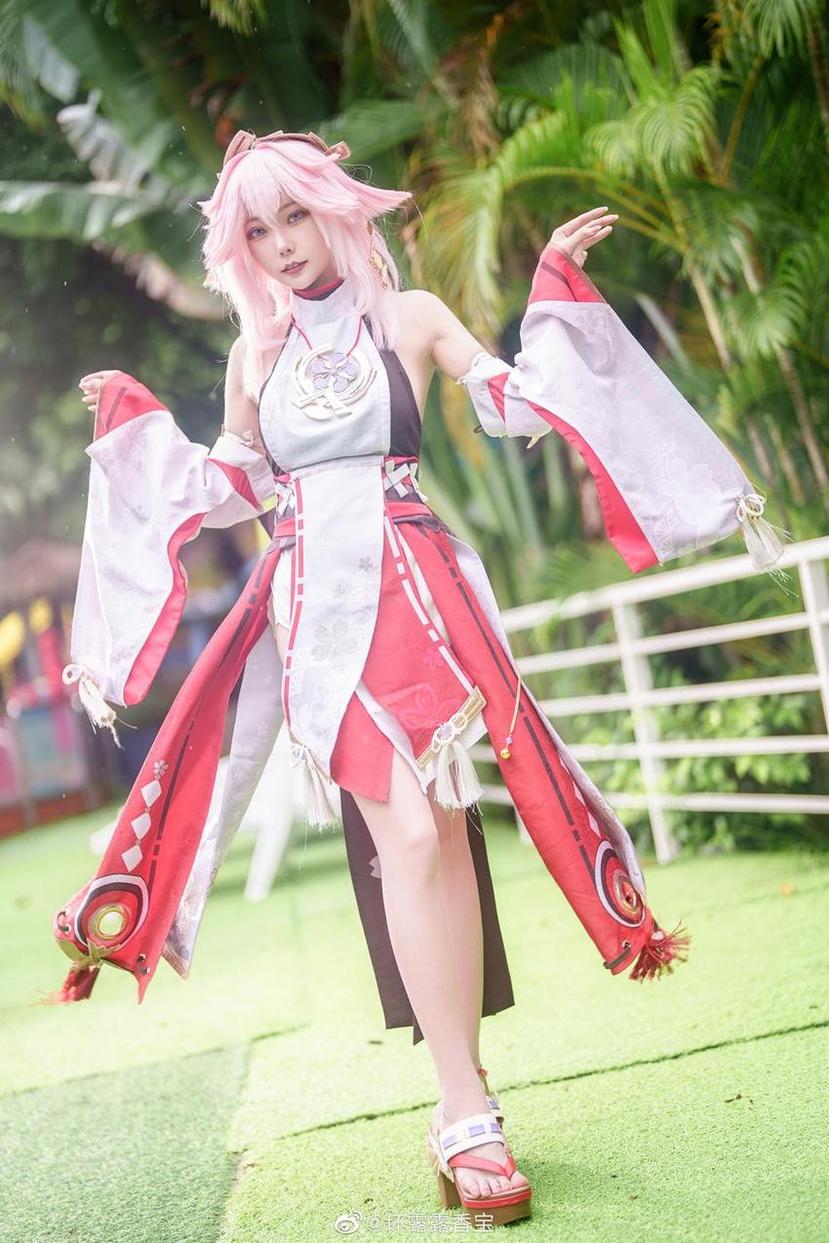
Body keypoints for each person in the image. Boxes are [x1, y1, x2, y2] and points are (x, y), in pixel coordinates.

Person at [53, 129, 788, 1230]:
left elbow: (514, 405)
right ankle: (462, 1108)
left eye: (296, 216)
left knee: (441, 836)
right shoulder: (255, 354)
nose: (282, 244)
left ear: (336, 211)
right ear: (240, 248)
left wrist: (553, 291)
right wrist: (135, 425)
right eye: (259, 229)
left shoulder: (411, 318)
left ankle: (467, 1094)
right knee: (403, 833)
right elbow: (231, 487)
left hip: (421, 603)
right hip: (316, 615)